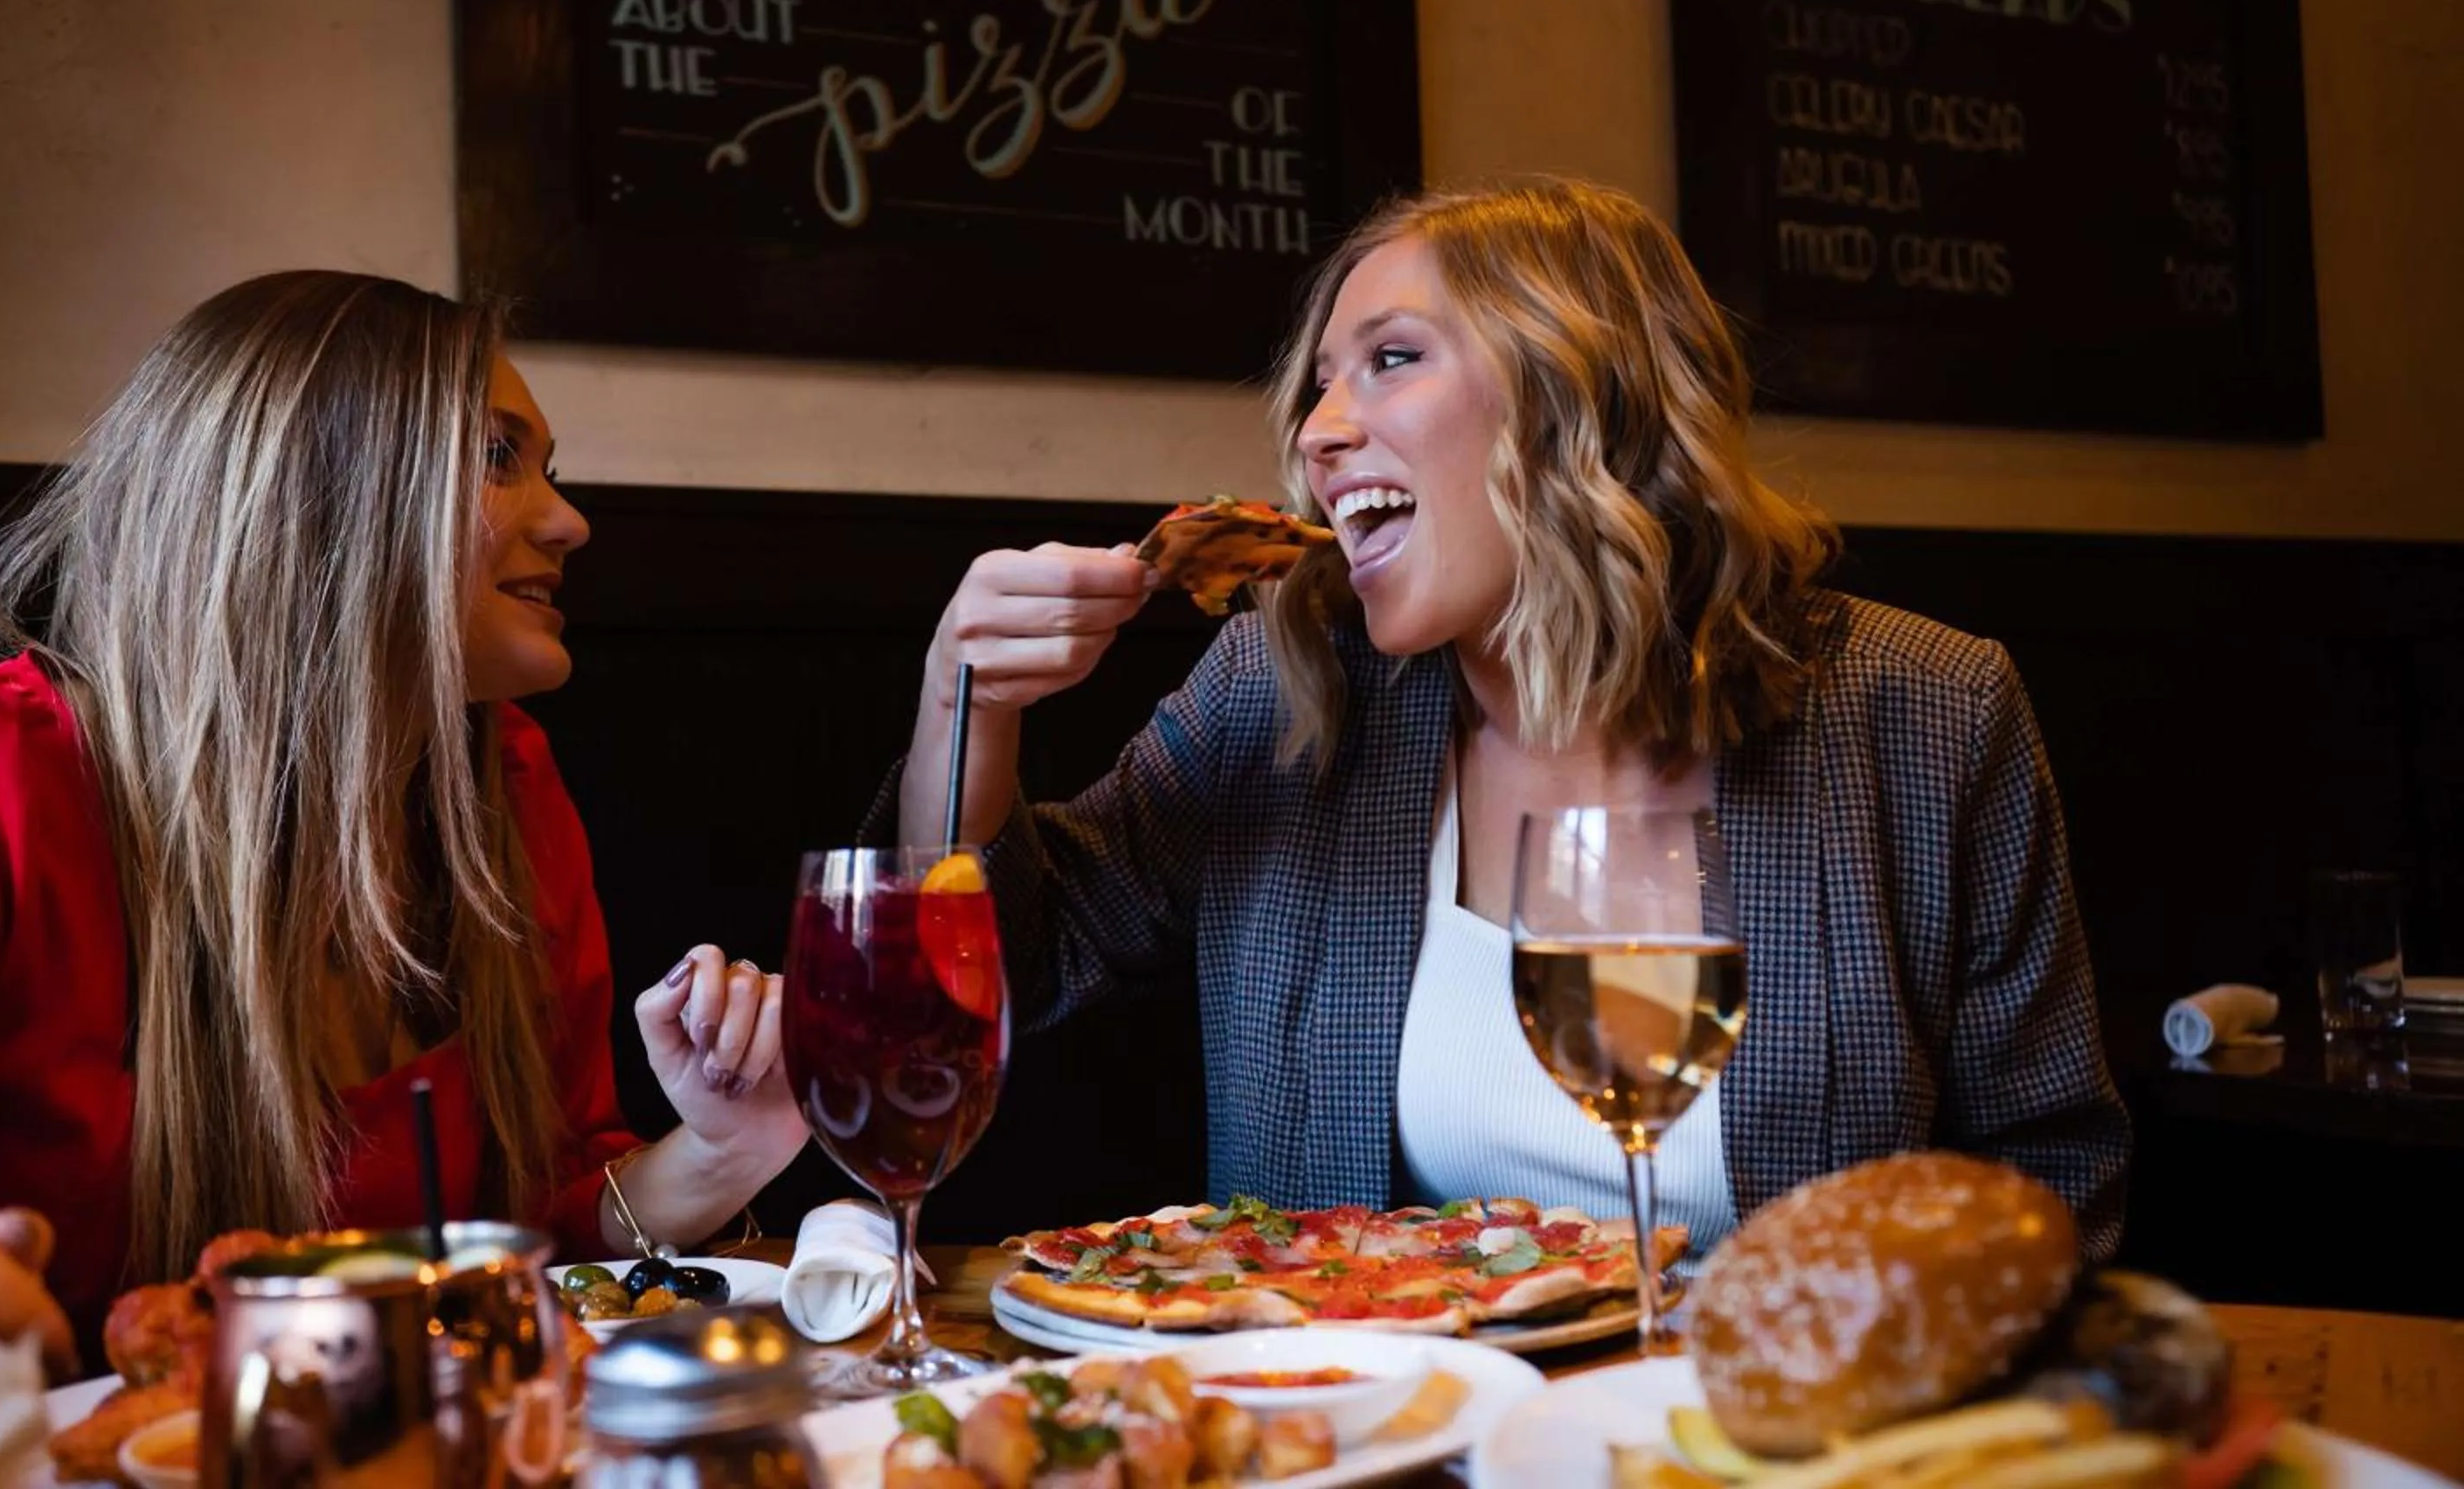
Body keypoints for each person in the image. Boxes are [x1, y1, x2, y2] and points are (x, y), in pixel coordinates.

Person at [889, 179, 2130, 1262]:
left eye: (1391, 359)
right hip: (1374, 1435)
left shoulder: (1922, 712)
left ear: (1580, 397)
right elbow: (991, 982)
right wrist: (968, 698)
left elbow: (2047, 1183)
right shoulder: (1279, 686)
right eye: (1319, 386)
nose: (1318, 435)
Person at [0, 272, 809, 1351]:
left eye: (550, 468)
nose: (570, 520)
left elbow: (540, 1232)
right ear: (314, 494)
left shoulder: (507, 793)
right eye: (497, 457)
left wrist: (724, 1149)